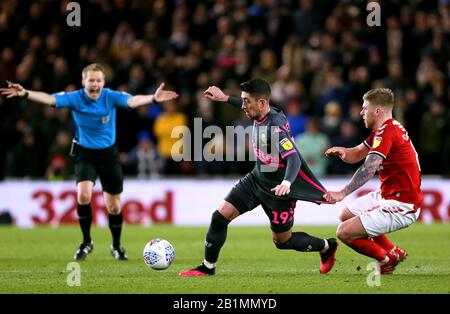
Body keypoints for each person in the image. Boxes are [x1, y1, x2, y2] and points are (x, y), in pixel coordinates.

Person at [1, 63, 178, 261]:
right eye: (91, 80)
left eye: (98, 80)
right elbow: (50, 99)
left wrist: (153, 98)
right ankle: (86, 242)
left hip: (109, 155)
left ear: (103, 82)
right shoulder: (75, 98)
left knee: (114, 208)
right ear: (83, 81)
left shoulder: (110, 96)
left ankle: (116, 246)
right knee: (83, 195)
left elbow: (132, 101)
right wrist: (25, 93)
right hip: (85, 154)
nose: (94, 84)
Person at [179, 78, 338, 276]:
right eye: (243, 100)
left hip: (278, 192)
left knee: (282, 241)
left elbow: (294, 159)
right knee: (219, 217)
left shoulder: (275, 128)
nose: (243, 106)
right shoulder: (263, 111)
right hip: (256, 180)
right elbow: (247, 104)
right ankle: (207, 267)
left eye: (247, 101)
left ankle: (326, 246)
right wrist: (225, 98)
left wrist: (286, 183)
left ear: (262, 103)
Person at [323, 88, 423, 275]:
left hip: (402, 204)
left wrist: (342, 192)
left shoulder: (388, 131)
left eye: (364, 108)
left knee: (343, 232)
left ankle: (386, 260)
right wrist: (344, 151)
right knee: (346, 215)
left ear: (377, 111)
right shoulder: (385, 129)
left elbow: (369, 168)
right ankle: (392, 251)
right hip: (388, 195)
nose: (361, 113)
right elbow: (359, 153)